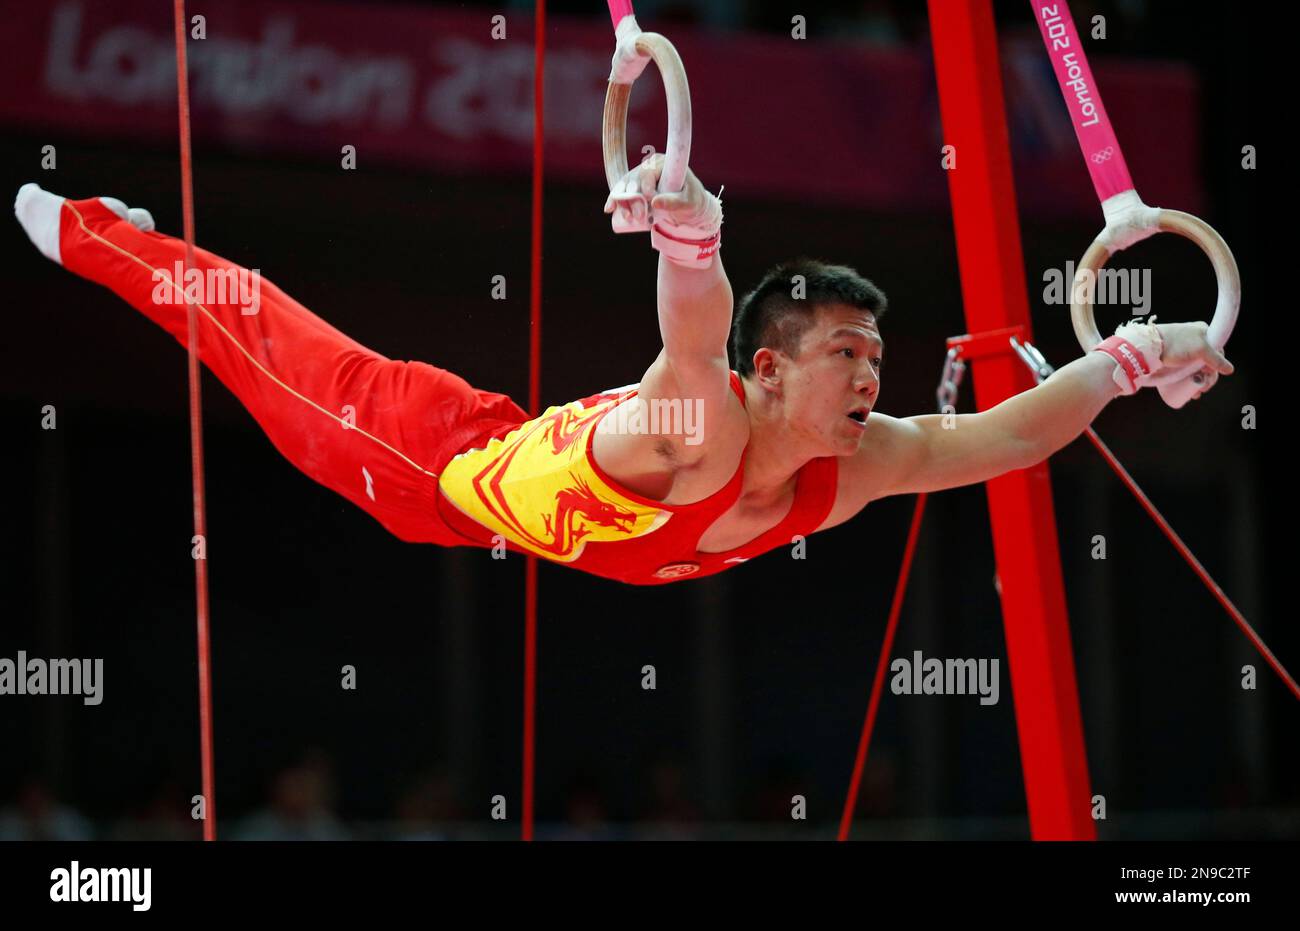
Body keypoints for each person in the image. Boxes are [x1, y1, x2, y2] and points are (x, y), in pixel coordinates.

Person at [13, 162, 1232, 585]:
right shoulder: (700, 421)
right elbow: (690, 339)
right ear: (769, 371)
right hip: (421, 466)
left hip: (520, 470)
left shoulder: (857, 468)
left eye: (877, 358)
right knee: (248, 329)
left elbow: (1013, 437)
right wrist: (690, 240)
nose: (874, 381)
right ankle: (94, 230)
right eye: (846, 358)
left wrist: (1127, 360)